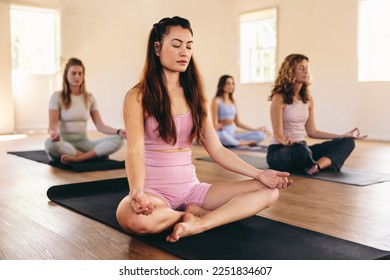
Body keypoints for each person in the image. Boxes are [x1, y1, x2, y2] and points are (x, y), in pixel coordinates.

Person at [116, 16, 292, 243]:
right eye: (177, 45)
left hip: (193, 190)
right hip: (154, 193)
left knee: (269, 192)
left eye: (189, 46)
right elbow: (135, 152)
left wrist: (259, 174)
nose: (184, 52)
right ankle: (187, 215)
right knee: (132, 219)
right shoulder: (137, 96)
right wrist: (136, 191)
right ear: (157, 48)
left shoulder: (195, 96)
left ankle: (201, 222)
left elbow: (217, 149)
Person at [267, 54, 367, 175]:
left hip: (302, 148)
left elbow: (312, 132)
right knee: (301, 150)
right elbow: (278, 135)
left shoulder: (308, 99)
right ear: (290, 71)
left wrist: (343, 135)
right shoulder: (279, 97)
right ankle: (315, 163)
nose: (306, 72)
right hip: (281, 151)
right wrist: (286, 141)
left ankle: (316, 166)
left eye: (307, 68)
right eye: (301, 68)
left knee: (348, 142)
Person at [45, 57, 126, 164]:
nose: (77, 77)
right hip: (64, 143)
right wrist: (53, 134)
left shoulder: (89, 98)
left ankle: (79, 158)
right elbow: (52, 126)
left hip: (84, 143)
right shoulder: (57, 96)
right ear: (66, 75)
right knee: (50, 144)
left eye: (80, 73)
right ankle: (91, 156)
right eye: (73, 73)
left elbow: (100, 126)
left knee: (118, 139)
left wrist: (119, 131)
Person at [211, 75, 267, 147]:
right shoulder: (216, 101)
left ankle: (235, 142)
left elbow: (238, 123)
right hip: (222, 134)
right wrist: (218, 126)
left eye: (232, 83)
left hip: (233, 135)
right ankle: (242, 143)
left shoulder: (233, 102)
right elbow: (215, 124)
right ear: (222, 85)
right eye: (228, 83)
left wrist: (255, 129)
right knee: (222, 135)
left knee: (261, 135)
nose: (231, 86)